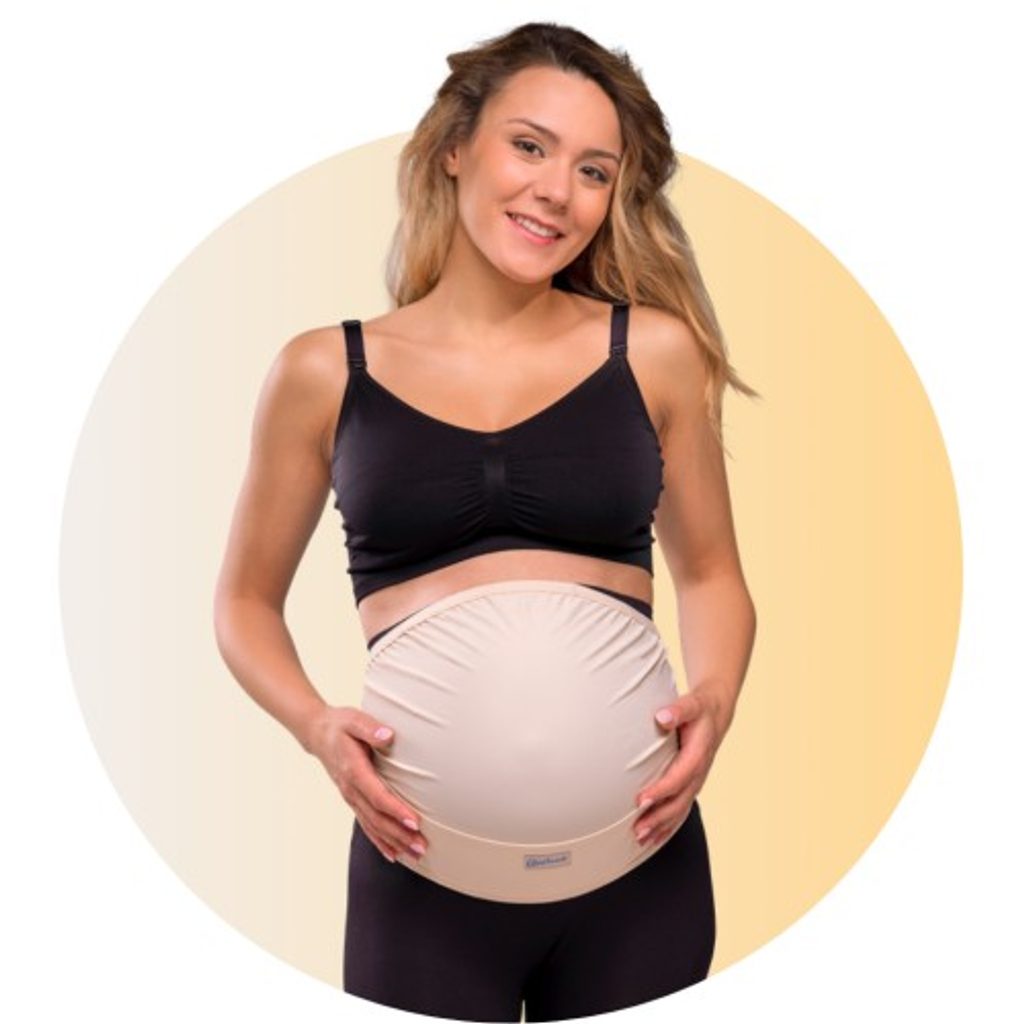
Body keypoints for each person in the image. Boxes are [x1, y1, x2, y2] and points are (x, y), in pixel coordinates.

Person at [214, 20, 757, 1022]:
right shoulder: (324, 370)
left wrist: (715, 700)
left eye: (593, 171)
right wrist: (316, 726)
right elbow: (244, 602)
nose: (557, 190)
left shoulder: (653, 354)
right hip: (418, 868)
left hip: (643, 863)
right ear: (455, 147)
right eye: (529, 146)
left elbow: (712, 573)